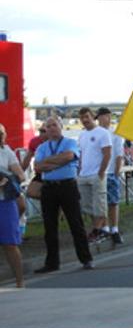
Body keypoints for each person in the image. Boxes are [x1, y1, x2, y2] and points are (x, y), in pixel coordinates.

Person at [33, 116, 94, 272]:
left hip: (67, 186)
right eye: (48, 126)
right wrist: (58, 162)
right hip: (49, 188)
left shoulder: (70, 143)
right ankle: (52, 263)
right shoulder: (42, 147)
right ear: (45, 129)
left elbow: (69, 156)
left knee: (76, 224)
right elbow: (38, 167)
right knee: (50, 227)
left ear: (60, 126)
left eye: (54, 125)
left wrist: (49, 162)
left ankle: (86, 259)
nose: (52, 128)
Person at [76, 107, 112, 244]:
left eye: (87, 117)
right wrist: (79, 171)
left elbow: (107, 153)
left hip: (97, 174)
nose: (85, 120)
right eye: (82, 118)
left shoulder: (102, 133)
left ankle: (96, 231)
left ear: (93, 117)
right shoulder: (82, 135)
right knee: (87, 206)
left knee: (99, 204)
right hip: (84, 174)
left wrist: (101, 172)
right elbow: (81, 155)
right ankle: (101, 230)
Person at [0, 122, 27, 286]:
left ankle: (19, 282)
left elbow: (21, 176)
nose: (1, 136)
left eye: (2, 133)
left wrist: (6, 179)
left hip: (5, 202)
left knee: (10, 243)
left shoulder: (6, 152)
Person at [95, 107, 125, 245]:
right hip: (99, 172)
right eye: (99, 118)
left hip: (111, 171)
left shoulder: (115, 133)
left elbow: (119, 153)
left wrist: (117, 171)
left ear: (108, 117)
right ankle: (105, 227)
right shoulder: (95, 133)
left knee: (113, 202)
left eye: (102, 117)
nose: (100, 120)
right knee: (102, 202)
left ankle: (115, 228)